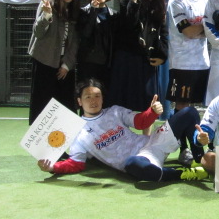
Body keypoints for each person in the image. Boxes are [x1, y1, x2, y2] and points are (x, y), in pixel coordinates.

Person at [37, 78, 208, 182]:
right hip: (140, 159)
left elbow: (140, 122)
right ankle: (182, 174)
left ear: (102, 98)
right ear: (79, 101)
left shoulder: (115, 111)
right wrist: (53, 167)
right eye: (88, 97)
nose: (93, 101)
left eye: (97, 96)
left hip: (153, 142)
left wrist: (152, 111)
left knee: (189, 112)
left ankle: (200, 161)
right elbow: (76, 163)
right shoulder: (78, 133)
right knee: (133, 165)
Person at [109, 0, 169, 125]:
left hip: (146, 60)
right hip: (127, 58)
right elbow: (128, 25)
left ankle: (146, 137)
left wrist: (162, 55)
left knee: (147, 102)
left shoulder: (159, 5)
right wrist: (134, 1)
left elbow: (163, 33)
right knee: (123, 101)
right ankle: (122, 135)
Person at [166, 0, 209, 166]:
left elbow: (204, 30)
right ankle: (183, 149)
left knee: (202, 107)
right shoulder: (176, 1)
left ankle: (200, 148)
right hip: (182, 63)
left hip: (203, 63)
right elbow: (189, 31)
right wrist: (207, 29)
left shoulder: (205, 0)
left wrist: (204, 30)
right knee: (182, 107)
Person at [28, 0, 80, 124]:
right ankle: (42, 138)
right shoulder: (47, 4)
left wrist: (67, 65)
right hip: (44, 62)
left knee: (67, 106)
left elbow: (75, 42)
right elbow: (38, 33)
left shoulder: (75, 10)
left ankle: (65, 138)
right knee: (43, 106)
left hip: (64, 66)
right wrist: (46, 15)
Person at [76, 0, 118, 87]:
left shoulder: (114, 15)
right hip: (88, 66)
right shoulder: (83, 12)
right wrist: (93, 11)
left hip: (108, 66)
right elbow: (85, 34)